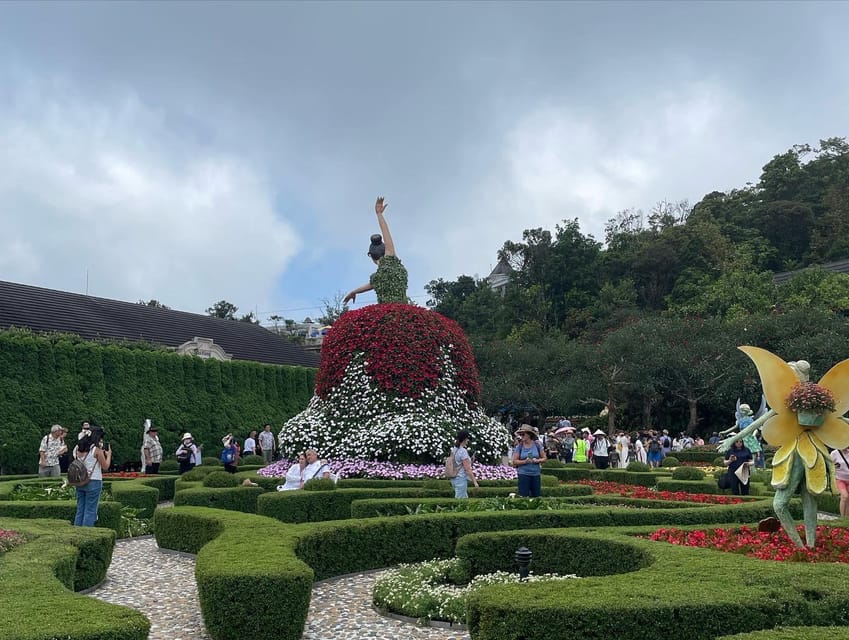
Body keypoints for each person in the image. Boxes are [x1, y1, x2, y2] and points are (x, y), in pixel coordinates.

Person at [344, 196, 408, 305]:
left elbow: (366, 287)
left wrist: (353, 292)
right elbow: (386, 234)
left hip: (386, 315)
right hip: (402, 313)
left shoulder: (380, 274)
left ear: (372, 257)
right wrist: (379, 214)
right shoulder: (388, 266)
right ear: (385, 249)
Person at [73, 426, 111, 527]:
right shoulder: (96, 450)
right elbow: (105, 466)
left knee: (80, 509)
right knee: (90, 511)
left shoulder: (78, 448)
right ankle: (86, 535)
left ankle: (76, 533)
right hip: (93, 480)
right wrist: (109, 455)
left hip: (80, 480)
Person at [512, 424, 545, 497]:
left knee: (536, 496)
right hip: (523, 474)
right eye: (520, 434)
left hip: (535, 474)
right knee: (523, 496)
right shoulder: (519, 446)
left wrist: (537, 461)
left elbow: (544, 458)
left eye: (523, 434)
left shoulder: (537, 445)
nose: (521, 436)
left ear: (529, 435)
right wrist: (525, 461)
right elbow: (514, 461)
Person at [449, 430, 479, 498]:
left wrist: (470, 460)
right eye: (467, 438)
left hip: (454, 478)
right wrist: (475, 482)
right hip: (460, 478)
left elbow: (456, 462)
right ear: (465, 439)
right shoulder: (463, 451)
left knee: (463, 498)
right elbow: (467, 469)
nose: (468, 440)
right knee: (461, 501)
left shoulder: (454, 449)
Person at [831, 445, 849, 516]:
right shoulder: (834, 453)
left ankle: (846, 518)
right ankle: (842, 517)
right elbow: (829, 465)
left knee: (848, 499)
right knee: (845, 496)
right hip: (840, 479)